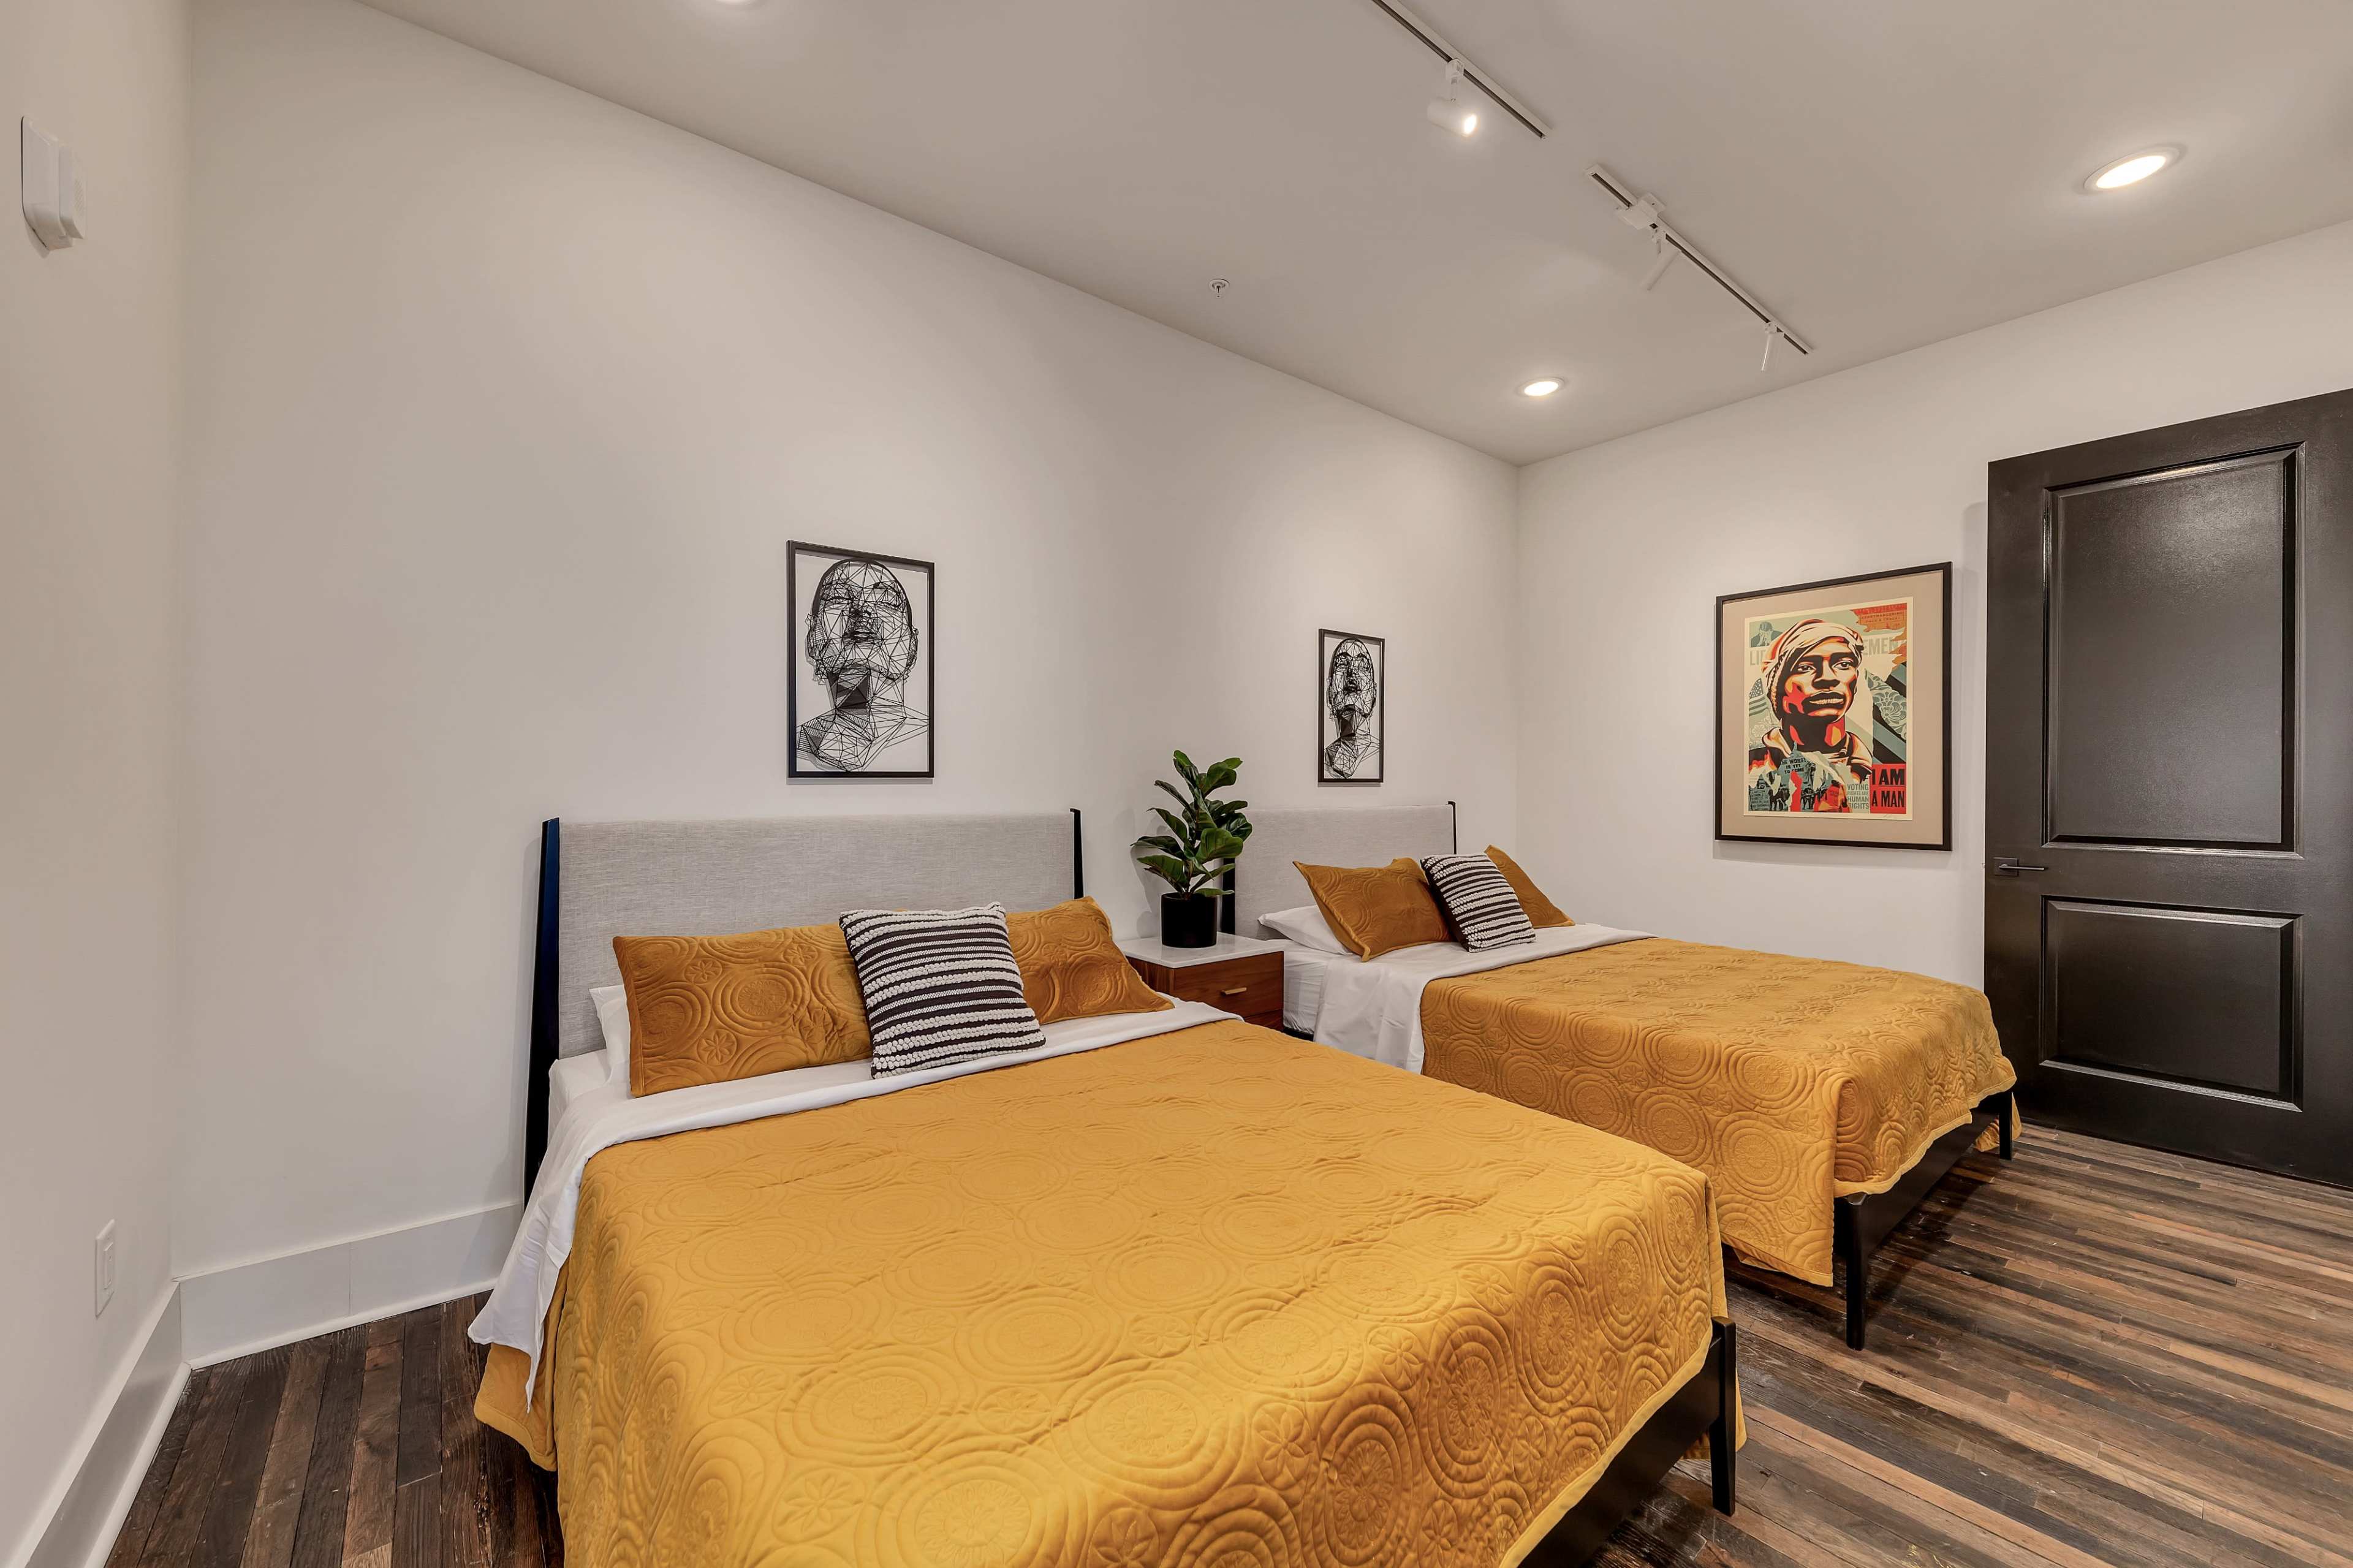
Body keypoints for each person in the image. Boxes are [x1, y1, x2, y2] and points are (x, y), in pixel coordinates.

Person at [797, 556, 928, 771]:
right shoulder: (799, 745)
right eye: (838, 597)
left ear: (913, 647)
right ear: (813, 639)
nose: (861, 609)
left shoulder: (925, 738)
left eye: (885, 599)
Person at [1746, 617, 1876, 813]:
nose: (1828, 678)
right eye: (1805, 667)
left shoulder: (1875, 764)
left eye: (1843, 664)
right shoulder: (1752, 766)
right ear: (1777, 688)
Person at [1322, 637, 1381, 779]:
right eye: (1342, 664)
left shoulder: (1378, 752)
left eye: (1362, 666)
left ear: (1374, 694)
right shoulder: (1326, 758)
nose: (1352, 672)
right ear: (1330, 694)